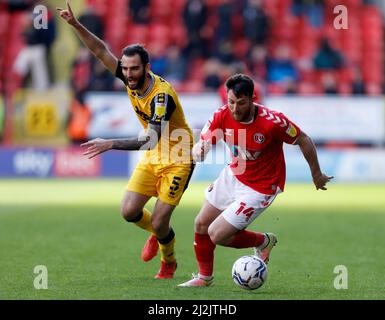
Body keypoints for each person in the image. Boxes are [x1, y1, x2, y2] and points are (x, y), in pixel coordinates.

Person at [57, 1, 194, 279]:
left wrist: (110, 143)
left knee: (159, 219)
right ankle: (158, 233)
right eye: (126, 69)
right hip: (155, 156)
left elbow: (151, 139)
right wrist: (75, 24)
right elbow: (99, 51)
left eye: (134, 69)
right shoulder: (128, 76)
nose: (128, 74)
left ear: (146, 67)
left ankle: (169, 261)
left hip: (179, 158)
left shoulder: (160, 96)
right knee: (129, 211)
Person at [178, 74, 332, 287]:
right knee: (201, 224)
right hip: (234, 175)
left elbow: (303, 139)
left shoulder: (272, 122)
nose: (235, 108)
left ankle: (263, 241)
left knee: (217, 234)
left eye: (241, 103)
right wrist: (199, 150)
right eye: (231, 101)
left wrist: (316, 174)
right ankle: (204, 278)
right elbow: (202, 144)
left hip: (261, 187)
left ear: (252, 99)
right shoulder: (222, 114)